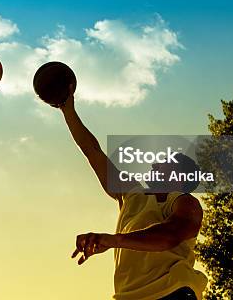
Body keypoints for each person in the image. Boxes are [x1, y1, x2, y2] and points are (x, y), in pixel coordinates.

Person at [58, 86, 208, 299]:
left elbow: (170, 236)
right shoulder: (132, 194)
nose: (155, 164)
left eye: (165, 163)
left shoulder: (185, 203)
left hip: (172, 291)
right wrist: (67, 109)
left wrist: (113, 240)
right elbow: (93, 151)